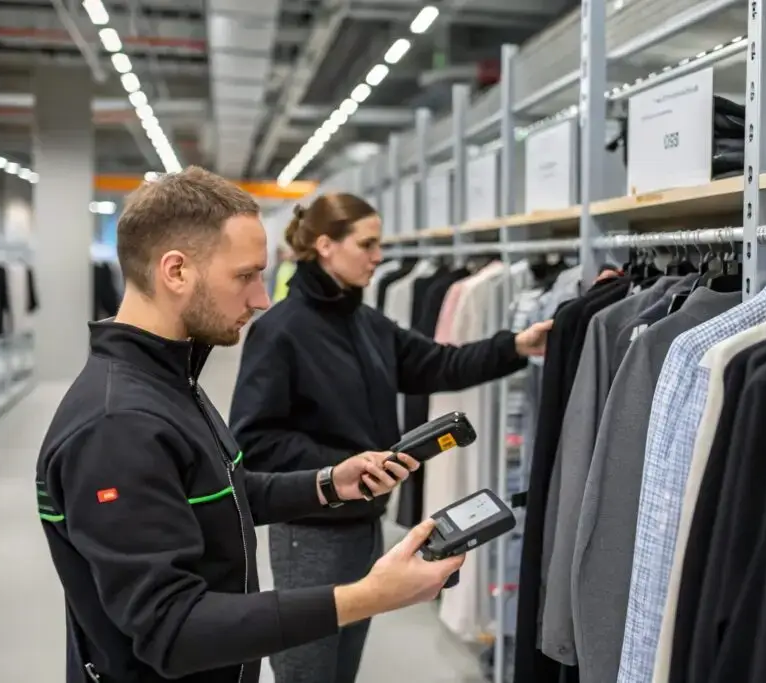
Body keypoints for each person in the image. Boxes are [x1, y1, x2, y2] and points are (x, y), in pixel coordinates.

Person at [34, 168, 465, 683]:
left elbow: (210, 494)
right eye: (245, 275)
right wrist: (368, 596)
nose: (261, 298)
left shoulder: (170, 381)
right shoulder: (117, 427)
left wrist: (326, 484)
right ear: (176, 272)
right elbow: (173, 629)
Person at [228, 192, 553, 683]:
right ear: (325, 245)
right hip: (312, 529)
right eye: (368, 243)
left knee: (343, 661)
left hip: (365, 522)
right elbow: (255, 441)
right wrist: (342, 467)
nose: (379, 256)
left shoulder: (367, 323)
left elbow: (439, 363)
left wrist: (515, 346)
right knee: (308, 666)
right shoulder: (280, 331)